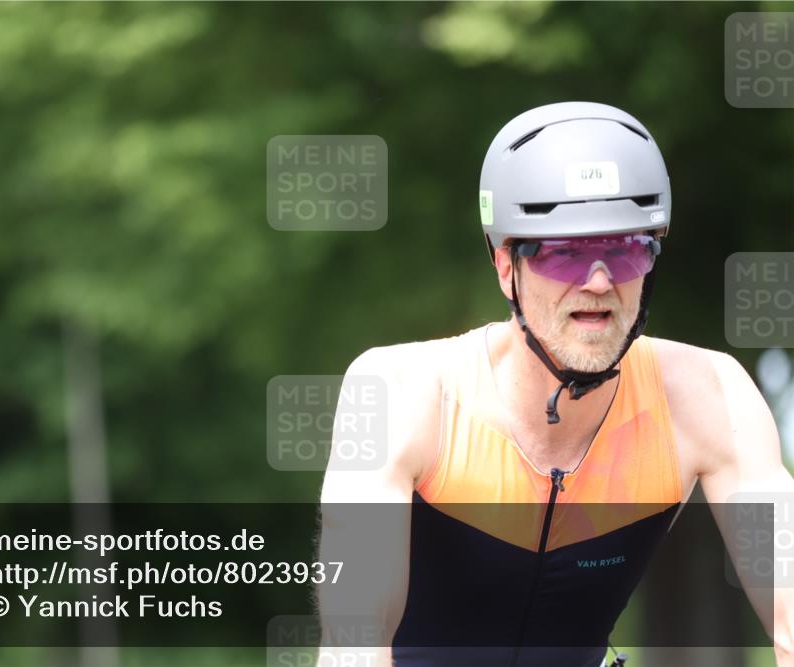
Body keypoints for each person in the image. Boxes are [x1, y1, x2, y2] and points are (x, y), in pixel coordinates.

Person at [315, 102, 794, 667]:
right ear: (505, 267)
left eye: (624, 250)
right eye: (566, 253)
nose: (598, 282)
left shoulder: (709, 396)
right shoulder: (400, 393)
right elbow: (354, 645)